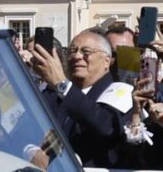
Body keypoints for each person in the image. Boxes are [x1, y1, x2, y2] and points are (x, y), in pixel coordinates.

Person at [32, 29, 132, 168]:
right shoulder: (55, 94)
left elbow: (105, 126)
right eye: (72, 51)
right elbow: (24, 128)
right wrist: (32, 152)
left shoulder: (121, 90)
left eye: (86, 52)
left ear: (107, 61)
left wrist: (62, 84)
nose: (77, 56)